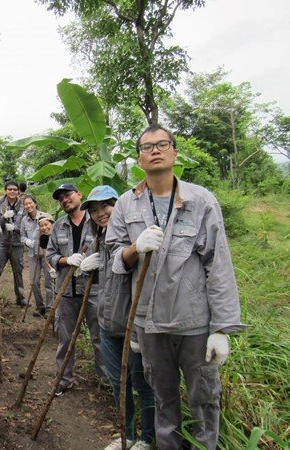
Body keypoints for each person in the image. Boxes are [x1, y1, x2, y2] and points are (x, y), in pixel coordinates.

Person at [106, 124, 246, 450]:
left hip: (194, 323)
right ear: (139, 158)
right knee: (163, 399)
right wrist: (134, 248)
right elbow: (114, 259)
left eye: (162, 144)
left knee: (205, 399)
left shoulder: (201, 201)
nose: (155, 150)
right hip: (149, 323)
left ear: (174, 152)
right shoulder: (127, 204)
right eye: (146, 146)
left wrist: (222, 328)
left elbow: (219, 264)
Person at [78, 185, 155, 450]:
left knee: (142, 384)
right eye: (95, 210)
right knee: (117, 383)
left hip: (132, 327)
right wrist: (89, 265)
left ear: (119, 207)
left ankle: (147, 438)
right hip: (107, 324)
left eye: (106, 207)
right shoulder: (98, 240)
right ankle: (127, 434)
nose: (101, 213)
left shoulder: (135, 240)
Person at [46, 183, 107, 396]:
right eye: (60, 198)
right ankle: (64, 379)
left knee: (99, 337)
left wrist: (99, 261)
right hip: (66, 290)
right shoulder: (59, 226)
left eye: (68, 195)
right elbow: (50, 255)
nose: (65, 200)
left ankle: (106, 379)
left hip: (94, 289)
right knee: (65, 338)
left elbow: (112, 249)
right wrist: (65, 260)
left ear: (79, 195)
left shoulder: (98, 220)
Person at [0, 180, 26, 306]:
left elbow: (25, 223)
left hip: (17, 243)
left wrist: (15, 227)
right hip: (2, 242)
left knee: (18, 271)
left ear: (18, 191)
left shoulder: (23, 205)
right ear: (6, 190)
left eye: (14, 189)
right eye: (9, 189)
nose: (12, 191)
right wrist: (3, 218)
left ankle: (21, 298)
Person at [20, 195, 50, 317]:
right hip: (33, 255)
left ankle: (49, 308)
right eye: (26, 204)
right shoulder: (24, 220)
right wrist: (28, 242)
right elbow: (22, 236)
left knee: (49, 282)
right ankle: (40, 306)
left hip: (47, 253)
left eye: (30, 203)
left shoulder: (45, 216)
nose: (28, 206)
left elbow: (51, 231)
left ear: (35, 204)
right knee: (34, 281)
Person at [37, 213, 56, 316]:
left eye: (46, 224)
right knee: (49, 285)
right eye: (41, 226)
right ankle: (49, 309)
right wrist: (50, 268)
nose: (44, 228)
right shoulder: (43, 238)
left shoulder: (58, 235)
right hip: (50, 264)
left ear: (52, 223)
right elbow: (46, 255)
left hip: (63, 262)